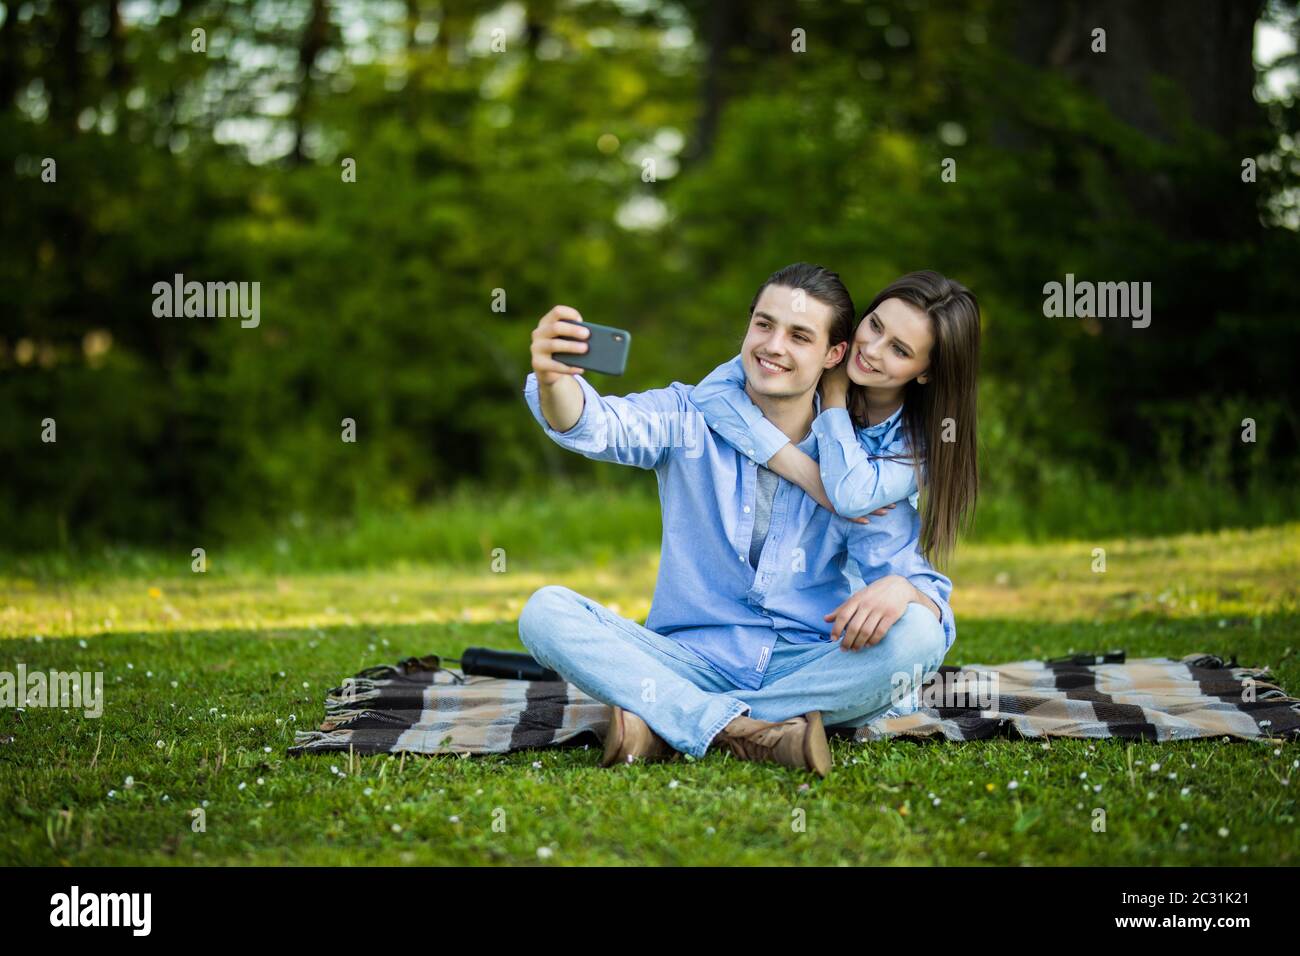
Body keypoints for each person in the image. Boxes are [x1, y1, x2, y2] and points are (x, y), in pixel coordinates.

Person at [517, 263, 954, 778]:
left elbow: (931, 603)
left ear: (833, 354)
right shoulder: (690, 416)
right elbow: (595, 424)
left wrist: (903, 588)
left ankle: (670, 721)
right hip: (687, 656)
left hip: (803, 663)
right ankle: (756, 730)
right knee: (545, 612)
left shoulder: (854, 466)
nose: (773, 346)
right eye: (764, 325)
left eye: (799, 336)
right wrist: (553, 379)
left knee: (917, 636)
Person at [690, 270, 981, 567]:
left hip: (855, 586)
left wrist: (833, 399)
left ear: (927, 372)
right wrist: (808, 475)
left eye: (899, 350)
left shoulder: (929, 441)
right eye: (875, 326)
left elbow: (850, 496)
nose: (871, 349)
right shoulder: (811, 360)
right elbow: (709, 394)